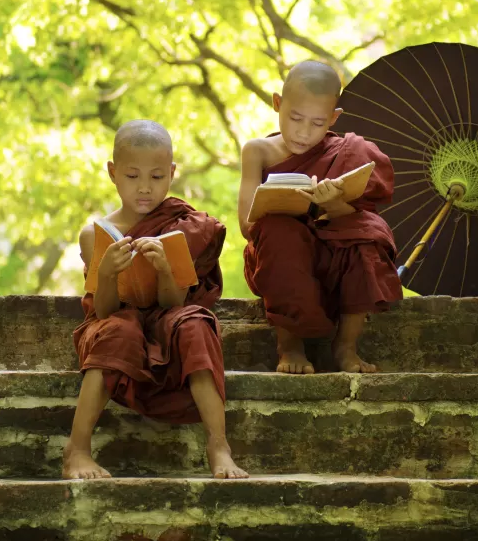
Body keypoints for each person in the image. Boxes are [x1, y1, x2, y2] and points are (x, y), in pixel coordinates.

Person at [66, 119, 247, 480]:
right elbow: (104, 311)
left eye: (157, 177)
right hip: (117, 320)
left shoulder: (180, 228)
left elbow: (173, 303)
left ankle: (219, 444)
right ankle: (77, 449)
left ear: (172, 173)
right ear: (113, 173)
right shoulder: (95, 234)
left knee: (195, 323)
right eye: (133, 177)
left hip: (167, 318)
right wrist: (106, 274)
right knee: (120, 329)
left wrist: (166, 270)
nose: (145, 188)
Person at [239, 61, 402, 374]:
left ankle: (345, 346)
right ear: (277, 104)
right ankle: (289, 345)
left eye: (316, 123)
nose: (303, 131)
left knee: (367, 232)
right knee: (278, 230)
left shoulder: (347, 151)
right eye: (295, 118)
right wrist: (283, 202)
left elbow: (358, 215)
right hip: (279, 255)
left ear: (333, 118)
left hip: (331, 256)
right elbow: (248, 225)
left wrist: (335, 202)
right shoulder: (257, 151)